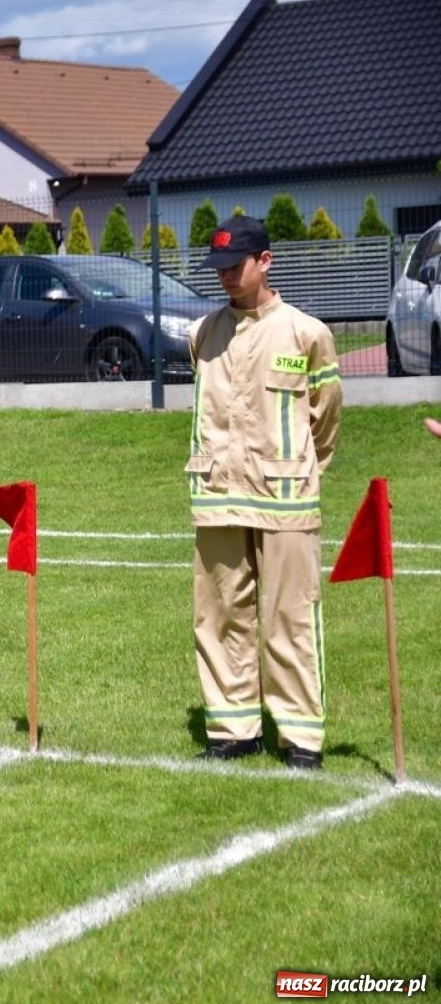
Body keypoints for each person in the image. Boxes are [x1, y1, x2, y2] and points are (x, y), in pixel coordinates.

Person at [186, 215, 341, 769]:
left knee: (289, 617)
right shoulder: (203, 334)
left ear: (266, 261)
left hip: (286, 497)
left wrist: (302, 466)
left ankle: (300, 738)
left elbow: (325, 417)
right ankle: (233, 729)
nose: (225, 276)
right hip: (217, 495)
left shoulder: (306, 333)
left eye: (236, 265)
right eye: (219, 267)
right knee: (221, 613)